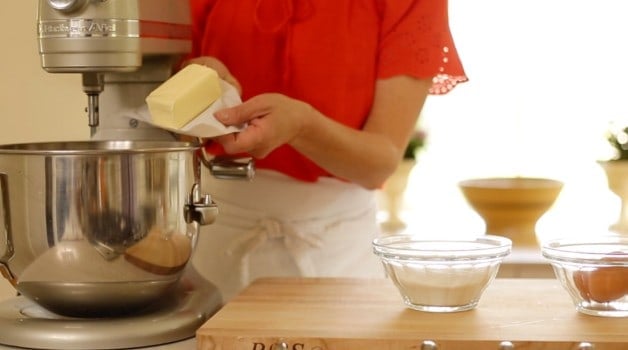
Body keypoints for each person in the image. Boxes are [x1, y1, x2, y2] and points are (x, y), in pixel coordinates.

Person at [185, 0, 468, 302]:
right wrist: (195, 78)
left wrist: (303, 127)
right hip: (215, 248)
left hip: (338, 260)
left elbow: (378, 164)